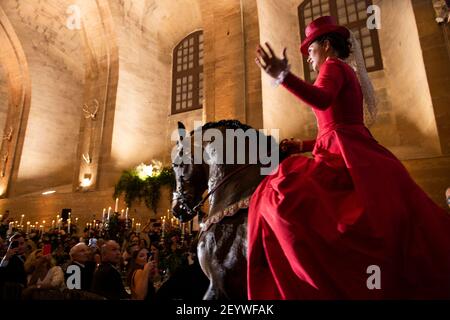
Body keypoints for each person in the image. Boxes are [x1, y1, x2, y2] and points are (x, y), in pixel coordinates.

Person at [249, 15, 450, 299]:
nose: (308, 58)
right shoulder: (343, 70)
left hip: (344, 156)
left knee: (279, 192)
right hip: (350, 148)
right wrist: (302, 144)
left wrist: (283, 76)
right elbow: (339, 125)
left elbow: (322, 100)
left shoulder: (332, 67)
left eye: (310, 51)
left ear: (327, 45)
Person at [0, 232, 27, 299]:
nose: (20, 246)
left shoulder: (28, 257)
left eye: (22, 243)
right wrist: (6, 258)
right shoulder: (10, 258)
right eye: (16, 244)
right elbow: (1, 272)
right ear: (10, 246)